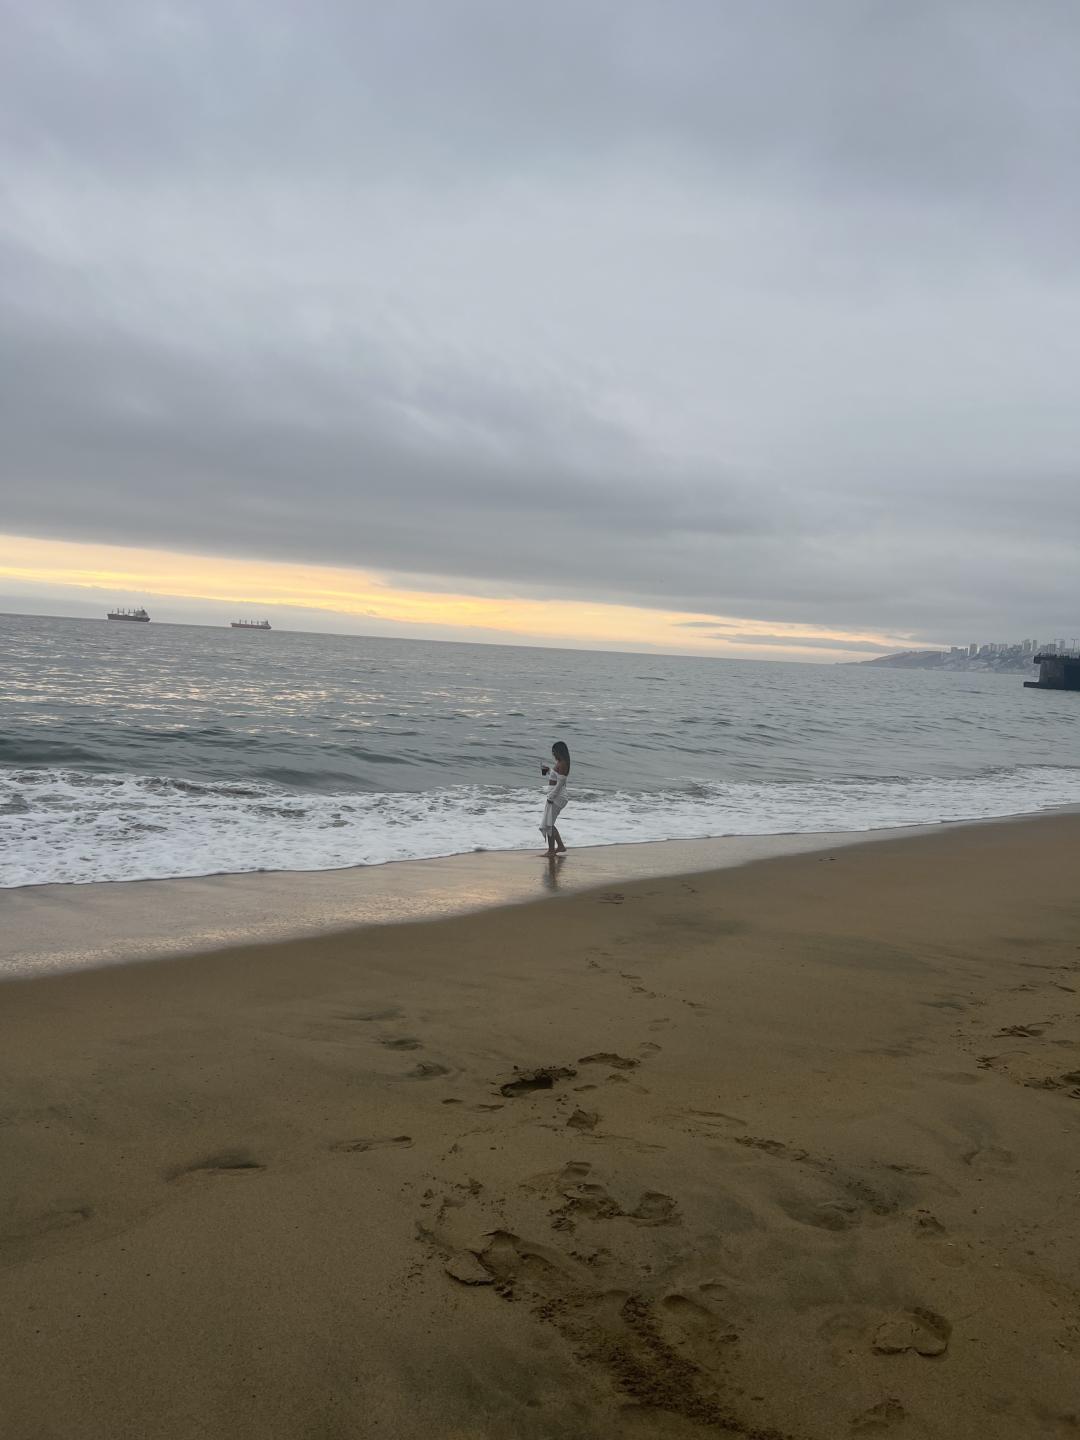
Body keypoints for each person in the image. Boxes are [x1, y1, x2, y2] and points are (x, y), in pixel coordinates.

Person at [539, 740, 570, 856]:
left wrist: (551, 797)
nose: (553, 754)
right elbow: (557, 777)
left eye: (554, 751)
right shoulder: (561, 763)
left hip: (557, 796)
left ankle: (551, 851)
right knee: (549, 823)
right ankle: (560, 846)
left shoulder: (563, 764)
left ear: (559, 751)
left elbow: (560, 783)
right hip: (556, 795)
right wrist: (548, 771)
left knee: (549, 824)